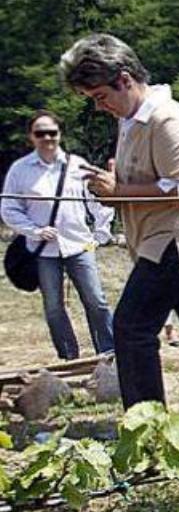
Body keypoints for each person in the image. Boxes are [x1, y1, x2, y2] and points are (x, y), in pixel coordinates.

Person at [61, 33, 179, 408]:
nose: (99, 107)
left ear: (124, 80)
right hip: (171, 241)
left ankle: (146, 430)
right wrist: (117, 181)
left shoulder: (168, 119)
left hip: (178, 242)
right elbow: (153, 177)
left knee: (131, 328)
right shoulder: (133, 118)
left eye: (99, 96)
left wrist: (117, 191)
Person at [2, 110, 116, 360]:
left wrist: (100, 234)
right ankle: (69, 359)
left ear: (60, 134)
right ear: (31, 137)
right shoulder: (20, 170)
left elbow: (99, 199)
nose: (47, 138)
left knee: (96, 301)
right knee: (54, 307)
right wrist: (34, 230)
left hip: (79, 244)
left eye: (52, 132)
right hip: (42, 250)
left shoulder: (77, 165)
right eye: (40, 133)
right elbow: (9, 208)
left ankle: (108, 356)